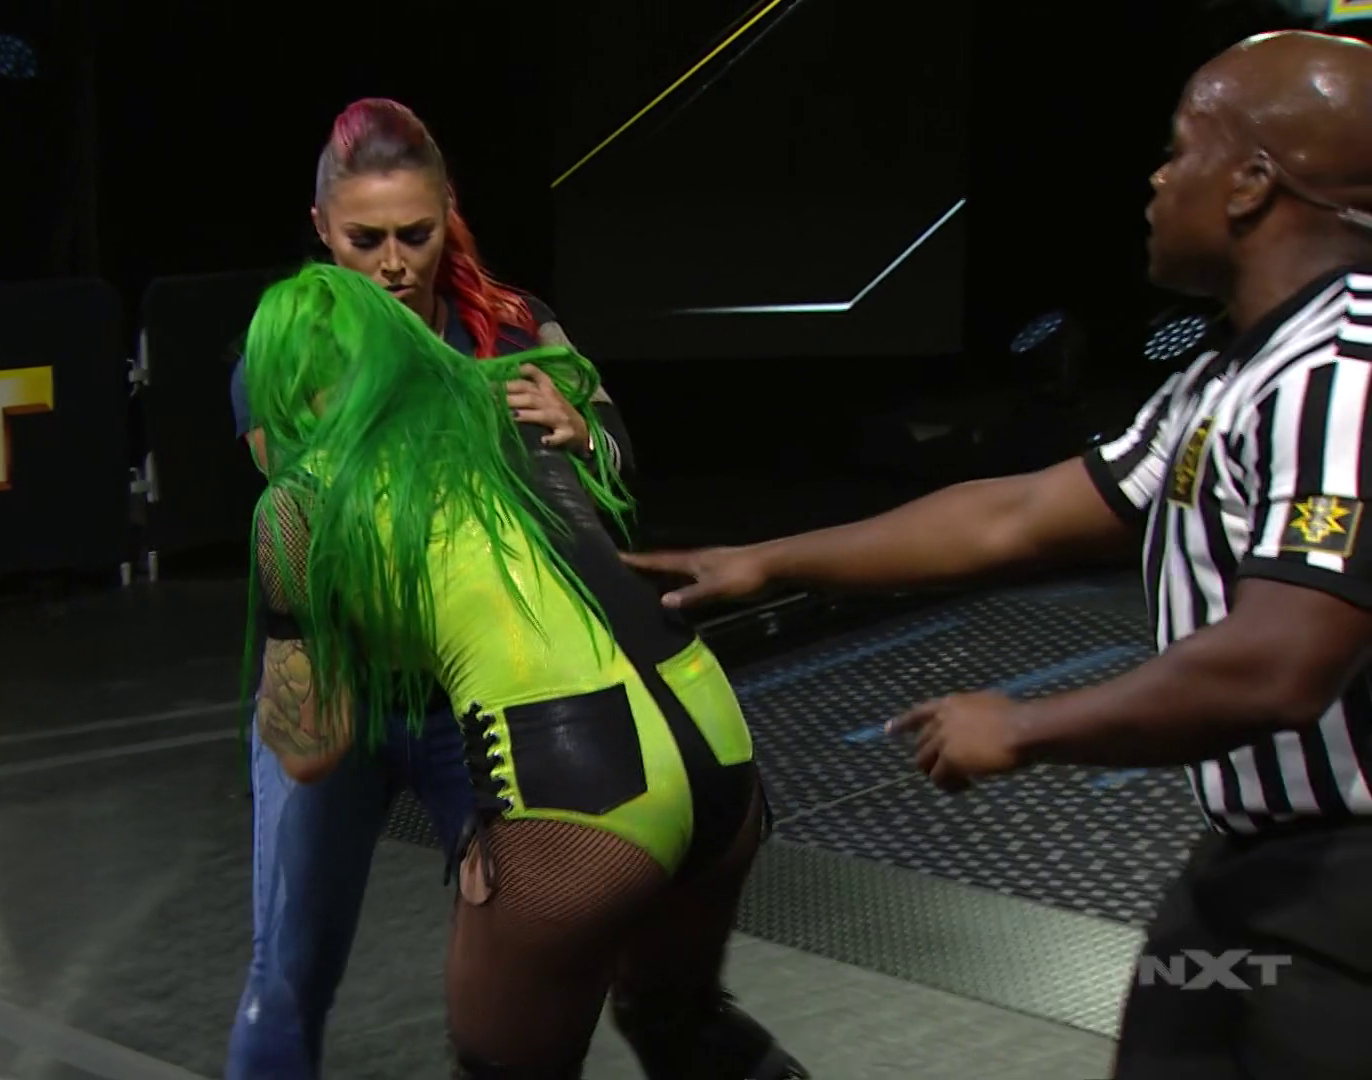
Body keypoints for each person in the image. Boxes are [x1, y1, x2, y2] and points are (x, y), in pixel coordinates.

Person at [626, 30, 1372, 1080]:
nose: (1159, 180)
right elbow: (1018, 514)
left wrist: (1027, 725)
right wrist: (767, 561)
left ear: (1251, 184)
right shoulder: (1234, 373)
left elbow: (1282, 661)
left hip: (1345, 895)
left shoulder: (1342, 377)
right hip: (1256, 869)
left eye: (1180, 150)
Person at [241, 261, 803, 1079]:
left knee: (501, 1068)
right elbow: (607, 458)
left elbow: (310, 749)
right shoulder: (508, 398)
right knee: (678, 1019)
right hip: (714, 732)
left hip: (578, 775)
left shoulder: (299, 504)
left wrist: (289, 632)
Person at [225, 97, 637, 1079]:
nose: (393, 263)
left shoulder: (514, 324)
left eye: (415, 234)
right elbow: (315, 525)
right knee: (285, 974)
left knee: (528, 962)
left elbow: (621, 467)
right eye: (364, 239)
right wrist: (487, 429)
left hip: (481, 696)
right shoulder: (285, 351)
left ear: (450, 212)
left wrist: (584, 435)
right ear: (322, 227)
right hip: (347, 680)